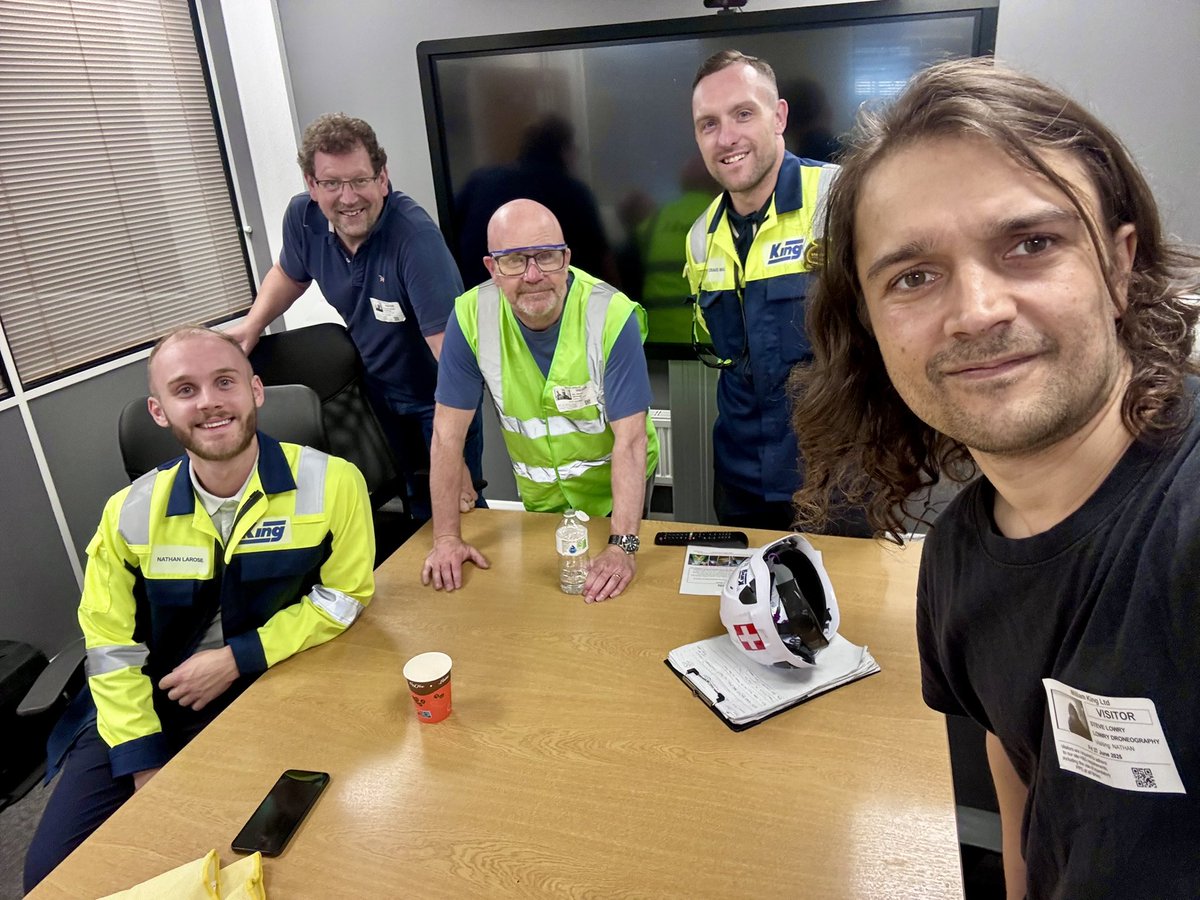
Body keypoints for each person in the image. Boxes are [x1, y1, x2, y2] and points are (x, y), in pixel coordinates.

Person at [790, 58, 1200, 899]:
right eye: (914, 276)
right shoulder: (953, 559)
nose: (977, 310)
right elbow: (1018, 759)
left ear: (1120, 268)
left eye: (1031, 243)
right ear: (872, 330)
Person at [24, 326, 375, 891]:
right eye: (185, 390)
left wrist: (239, 657)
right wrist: (143, 760)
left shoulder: (334, 484)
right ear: (160, 412)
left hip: (267, 688)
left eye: (224, 382)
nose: (209, 401)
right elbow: (110, 645)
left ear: (255, 391)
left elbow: (344, 597)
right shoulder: (128, 514)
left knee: (286, 859)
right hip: (142, 705)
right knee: (54, 878)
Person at [226, 113, 483, 521]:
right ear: (312, 185)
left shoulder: (415, 242)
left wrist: (452, 453)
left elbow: (452, 357)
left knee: (459, 506)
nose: (348, 198)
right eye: (331, 183)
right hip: (376, 389)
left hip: (436, 398)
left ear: (382, 178)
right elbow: (290, 274)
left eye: (360, 180)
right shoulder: (303, 219)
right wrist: (253, 325)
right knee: (413, 502)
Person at [422, 200, 659, 604]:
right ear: (492, 268)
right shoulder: (469, 316)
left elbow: (631, 441)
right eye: (514, 261)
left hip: (615, 495)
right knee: (546, 607)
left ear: (566, 259)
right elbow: (446, 437)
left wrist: (623, 546)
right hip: (541, 500)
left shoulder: (611, 314)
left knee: (616, 602)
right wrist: (446, 538)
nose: (534, 275)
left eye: (546, 257)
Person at [686, 50, 862, 533]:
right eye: (708, 124)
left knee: (844, 606)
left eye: (743, 113)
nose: (726, 137)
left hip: (837, 480)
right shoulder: (700, 237)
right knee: (748, 607)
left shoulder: (842, 200)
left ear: (779, 116)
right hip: (741, 481)